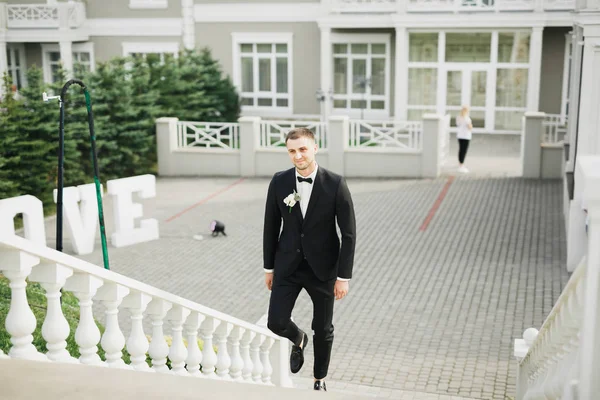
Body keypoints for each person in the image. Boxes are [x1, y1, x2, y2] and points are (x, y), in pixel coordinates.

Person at [263, 127, 356, 392]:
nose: (297, 155)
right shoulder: (279, 182)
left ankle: (319, 379)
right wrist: (269, 268)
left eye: (302, 149)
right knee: (276, 321)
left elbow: (349, 234)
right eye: (292, 151)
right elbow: (270, 227)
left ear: (315, 148)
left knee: (323, 328)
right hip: (287, 266)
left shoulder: (336, 184)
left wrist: (343, 277)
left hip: (323, 269)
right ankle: (298, 338)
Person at [456, 105, 473, 173]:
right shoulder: (467, 118)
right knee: (464, 151)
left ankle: (460, 163)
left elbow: (457, 124)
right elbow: (470, 127)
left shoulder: (458, 117)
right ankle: (461, 165)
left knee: (460, 150)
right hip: (466, 136)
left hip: (460, 136)